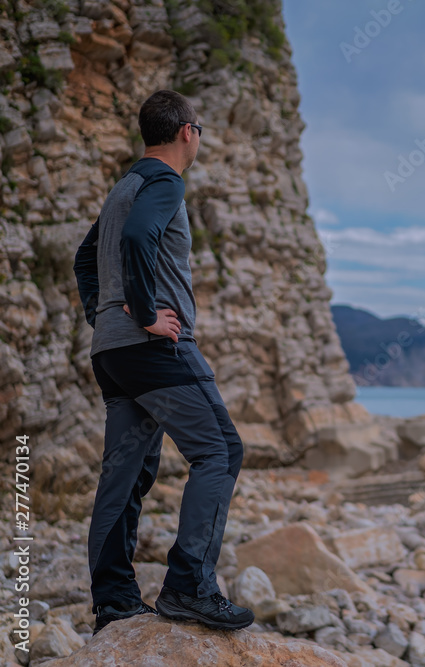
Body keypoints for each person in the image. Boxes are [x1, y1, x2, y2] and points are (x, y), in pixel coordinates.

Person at [73, 90, 254, 634]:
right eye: (199, 130)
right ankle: (189, 587)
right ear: (187, 133)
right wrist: (147, 313)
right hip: (155, 350)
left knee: (124, 476)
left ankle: (114, 602)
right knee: (221, 450)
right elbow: (135, 237)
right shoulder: (165, 182)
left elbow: (86, 258)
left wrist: (104, 314)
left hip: (113, 352)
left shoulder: (123, 187)